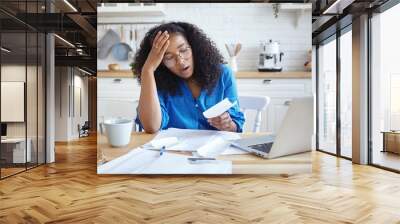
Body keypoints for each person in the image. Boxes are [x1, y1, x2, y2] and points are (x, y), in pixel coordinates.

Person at [132, 22, 245, 134]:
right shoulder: (157, 82)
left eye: (184, 50)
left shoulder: (223, 74)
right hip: (173, 151)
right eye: (169, 57)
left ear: (194, 48)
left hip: (216, 150)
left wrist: (228, 125)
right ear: (160, 63)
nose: (180, 61)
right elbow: (151, 126)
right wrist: (147, 70)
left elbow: (236, 125)